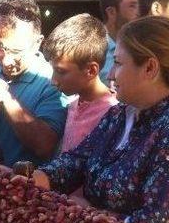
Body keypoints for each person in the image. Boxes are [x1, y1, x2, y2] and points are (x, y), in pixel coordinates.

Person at [16, 16, 169, 223]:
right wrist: (38, 178)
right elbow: (77, 160)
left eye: (118, 63)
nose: (110, 75)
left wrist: (83, 218)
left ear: (150, 68)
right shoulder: (118, 115)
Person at [0, 0, 68, 167]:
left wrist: (6, 98)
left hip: (24, 187)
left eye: (16, 51)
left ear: (37, 43)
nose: (7, 61)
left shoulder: (52, 82)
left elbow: (44, 146)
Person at [42, 13, 117, 153]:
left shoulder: (112, 114)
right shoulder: (73, 105)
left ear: (90, 70)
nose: (53, 81)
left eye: (61, 71)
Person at [98, 0, 139, 87]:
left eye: (140, 5)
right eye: (133, 6)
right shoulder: (92, 49)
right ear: (111, 12)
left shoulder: (141, 47)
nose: (140, 12)